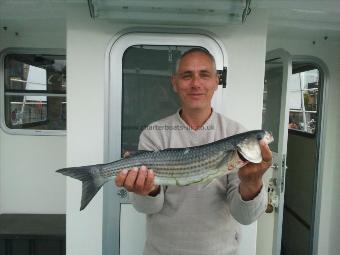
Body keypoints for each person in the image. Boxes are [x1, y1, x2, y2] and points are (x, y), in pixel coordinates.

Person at [115, 48, 272, 255]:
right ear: (174, 83)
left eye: (204, 75)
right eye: (187, 75)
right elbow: (148, 208)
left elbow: (245, 217)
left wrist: (252, 183)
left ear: (216, 81)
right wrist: (147, 191)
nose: (196, 83)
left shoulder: (236, 133)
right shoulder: (154, 134)